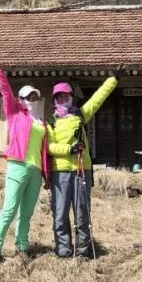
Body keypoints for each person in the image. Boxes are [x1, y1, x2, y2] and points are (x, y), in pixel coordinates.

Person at [46, 69, 122, 259]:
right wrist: (69, 149)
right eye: (59, 96)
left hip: (82, 168)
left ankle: (83, 250)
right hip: (60, 172)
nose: (63, 98)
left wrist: (113, 80)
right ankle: (63, 250)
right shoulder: (51, 122)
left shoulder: (80, 115)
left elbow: (97, 99)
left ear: (71, 97)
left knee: (82, 211)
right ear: (55, 99)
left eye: (66, 95)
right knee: (60, 212)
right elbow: (49, 147)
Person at [0, 54, 50, 263]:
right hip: (18, 165)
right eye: (29, 97)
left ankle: (22, 246)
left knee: (27, 213)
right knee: (9, 209)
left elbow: (43, 149)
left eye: (35, 97)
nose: (33, 100)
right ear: (21, 99)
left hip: (35, 170)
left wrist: (46, 173)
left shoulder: (41, 121)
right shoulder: (15, 113)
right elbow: (5, 91)